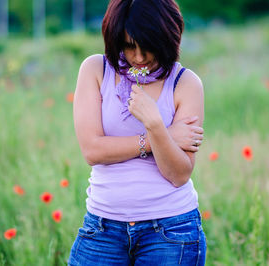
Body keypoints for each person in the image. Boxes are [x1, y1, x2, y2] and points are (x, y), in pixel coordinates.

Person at [68, 0, 206, 265]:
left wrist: (154, 123)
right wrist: (163, 138)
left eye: (149, 46)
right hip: (102, 228)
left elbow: (178, 174)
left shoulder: (185, 83)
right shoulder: (96, 70)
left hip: (170, 231)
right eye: (130, 45)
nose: (139, 57)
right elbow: (93, 150)